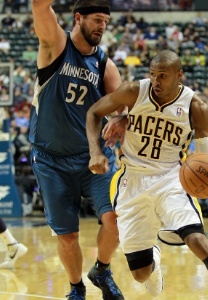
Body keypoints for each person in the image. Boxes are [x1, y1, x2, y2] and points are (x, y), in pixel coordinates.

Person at [86, 50, 208, 299]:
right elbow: (93, 112)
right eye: (152, 75)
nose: (156, 81)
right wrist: (95, 151)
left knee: (197, 240)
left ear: (179, 75)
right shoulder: (133, 92)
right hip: (132, 180)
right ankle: (154, 254)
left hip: (171, 178)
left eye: (163, 76)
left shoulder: (197, 108)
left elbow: (205, 158)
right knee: (140, 274)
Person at [28, 0, 125, 299]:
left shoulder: (104, 65)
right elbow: (39, 7)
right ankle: (76, 288)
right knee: (68, 237)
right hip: (51, 160)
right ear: (78, 17)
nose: (102, 27)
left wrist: (122, 117)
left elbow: (122, 105)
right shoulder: (55, 44)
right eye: (97, 20)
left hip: (93, 157)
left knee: (116, 219)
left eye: (106, 22)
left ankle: (102, 269)